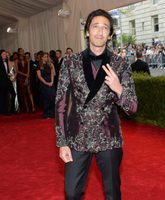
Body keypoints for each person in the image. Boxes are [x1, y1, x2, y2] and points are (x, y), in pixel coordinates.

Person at [55, 9, 138, 200]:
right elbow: (60, 105)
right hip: (77, 137)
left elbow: (132, 108)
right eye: (95, 26)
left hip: (109, 137)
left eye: (105, 28)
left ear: (110, 34)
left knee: (112, 193)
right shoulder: (70, 62)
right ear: (87, 31)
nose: (100, 32)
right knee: (72, 192)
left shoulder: (120, 64)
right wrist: (62, 142)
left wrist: (118, 89)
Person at [36, 52, 55, 118]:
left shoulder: (49, 65)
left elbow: (52, 74)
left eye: (47, 56)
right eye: (44, 57)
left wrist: (52, 81)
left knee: (52, 98)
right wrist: (46, 83)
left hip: (51, 83)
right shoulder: (39, 66)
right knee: (46, 99)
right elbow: (39, 76)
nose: (46, 58)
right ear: (41, 57)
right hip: (44, 84)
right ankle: (47, 114)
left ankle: (53, 113)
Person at [0, 50, 16, 115]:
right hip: (2, 82)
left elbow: (6, 71)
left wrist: (8, 74)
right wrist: (7, 74)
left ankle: (12, 109)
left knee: (13, 94)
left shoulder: (6, 61)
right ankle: (5, 111)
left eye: (5, 54)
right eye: (3, 54)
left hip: (7, 80)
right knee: (4, 96)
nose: (5, 55)